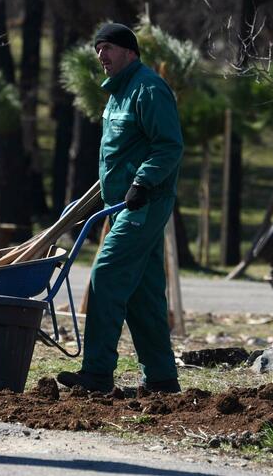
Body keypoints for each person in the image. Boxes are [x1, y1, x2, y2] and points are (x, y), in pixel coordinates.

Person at [57, 22, 184, 394]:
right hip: (120, 205)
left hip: (143, 205)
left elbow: (169, 146)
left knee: (106, 276)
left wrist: (143, 182)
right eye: (98, 49)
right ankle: (161, 378)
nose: (101, 55)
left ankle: (97, 373)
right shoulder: (117, 94)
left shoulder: (148, 88)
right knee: (143, 294)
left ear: (130, 51)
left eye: (109, 47)